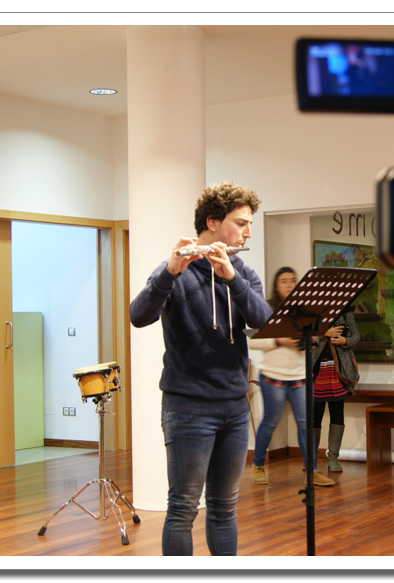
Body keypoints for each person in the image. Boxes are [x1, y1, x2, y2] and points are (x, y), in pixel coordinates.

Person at [129, 181, 273, 556]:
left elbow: (263, 320)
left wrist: (232, 280)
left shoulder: (243, 273)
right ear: (212, 222)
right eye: (241, 223)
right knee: (183, 509)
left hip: (235, 408)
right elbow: (138, 316)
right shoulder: (176, 271)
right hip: (189, 409)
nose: (248, 232)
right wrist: (168, 273)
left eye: (250, 224)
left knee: (224, 509)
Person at [248, 267, 334, 487]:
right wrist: (279, 340)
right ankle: (257, 466)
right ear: (276, 286)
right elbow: (253, 341)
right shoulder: (267, 309)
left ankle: (311, 471)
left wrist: (313, 338)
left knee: (305, 424)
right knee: (270, 422)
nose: (289, 284)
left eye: (293, 280)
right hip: (273, 375)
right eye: (284, 281)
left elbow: (314, 338)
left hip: (300, 375)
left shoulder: (305, 311)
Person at [310, 309, 360, 473]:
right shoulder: (311, 308)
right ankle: (311, 459)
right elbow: (301, 335)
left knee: (337, 412)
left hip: (338, 370)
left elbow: (356, 336)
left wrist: (345, 340)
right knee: (315, 414)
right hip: (315, 369)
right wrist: (324, 332)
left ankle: (333, 458)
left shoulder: (346, 311)